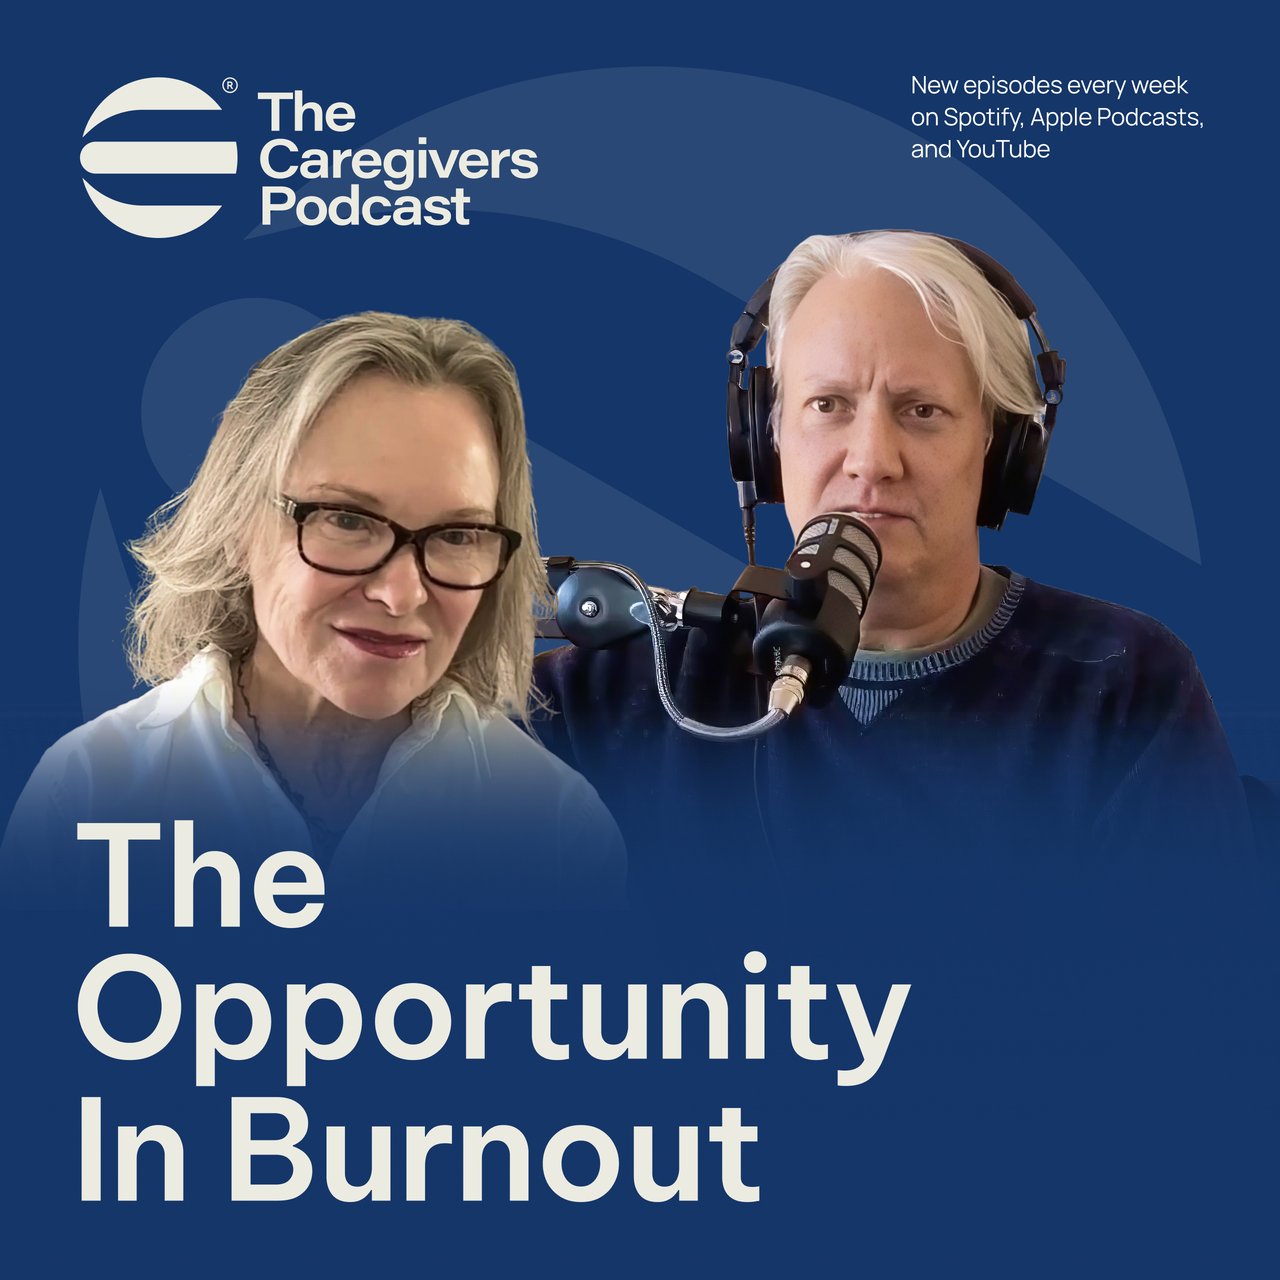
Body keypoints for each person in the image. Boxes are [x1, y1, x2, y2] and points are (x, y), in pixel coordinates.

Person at [533, 231, 1252, 893]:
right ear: (765, 438)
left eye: (922, 410)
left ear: (1002, 453)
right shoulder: (620, 693)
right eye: (827, 404)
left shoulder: (1123, 685)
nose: (872, 461)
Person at [3, 313, 624, 909]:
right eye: (347, 520)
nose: (401, 595)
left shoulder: (555, 830)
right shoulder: (87, 796)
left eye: (458, 535)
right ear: (237, 524)